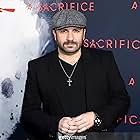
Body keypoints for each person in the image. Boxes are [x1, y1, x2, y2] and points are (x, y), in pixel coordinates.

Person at [20, 9, 130, 140]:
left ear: (84, 34)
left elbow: (122, 100)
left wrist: (96, 117)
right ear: (55, 34)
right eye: (63, 31)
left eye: (76, 31)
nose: (70, 38)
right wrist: (56, 124)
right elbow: (29, 113)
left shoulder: (104, 60)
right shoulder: (38, 67)